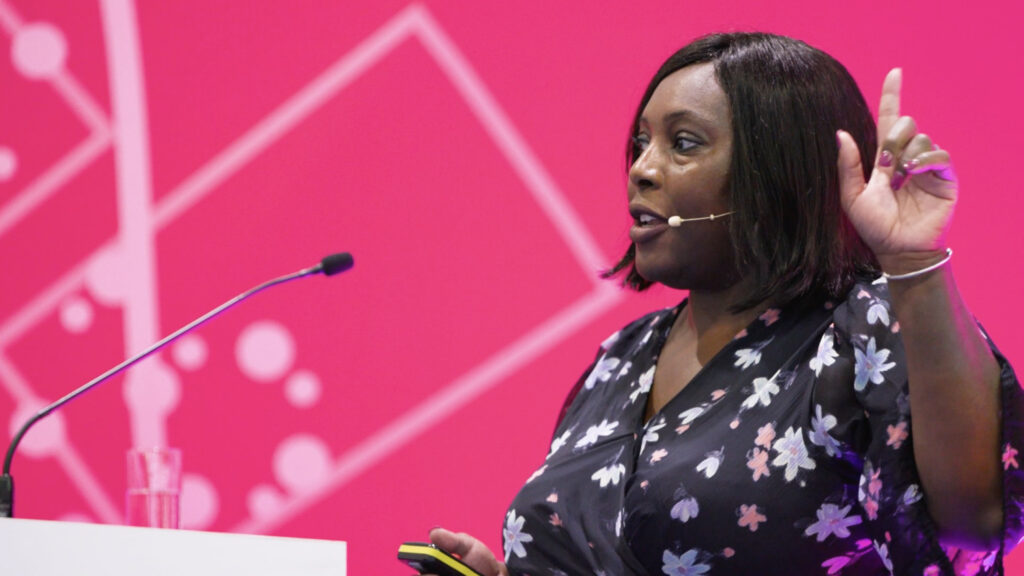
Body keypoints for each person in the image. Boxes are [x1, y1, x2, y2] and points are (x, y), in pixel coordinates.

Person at [427, 32, 1024, 575]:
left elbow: (977, 524)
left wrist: (914, 264)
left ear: (777, 174)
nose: (642, 169)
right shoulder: (624, 356)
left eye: (682, 144)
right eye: (640, 143)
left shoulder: (863, 327)